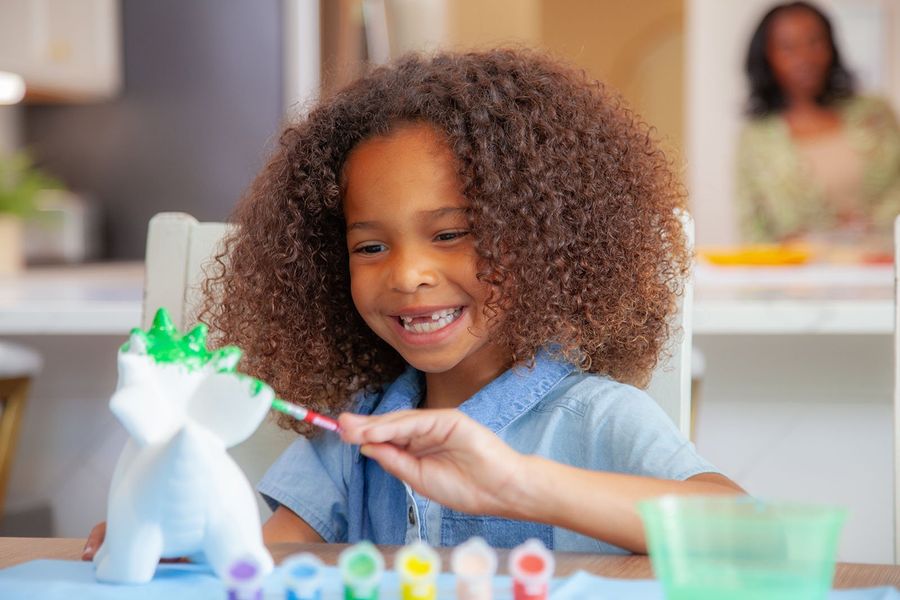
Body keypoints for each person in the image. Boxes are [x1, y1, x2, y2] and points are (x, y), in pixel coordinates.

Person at [83, 49, 741, 560]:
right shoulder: (354, 432)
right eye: (370, 247)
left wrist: (518, 483)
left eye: (450, 234)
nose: (408, 274)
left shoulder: (597, 418)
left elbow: (745, 531)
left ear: (544, 241)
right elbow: (264, 557)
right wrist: (187, 538)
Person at [737, 1, 900, 247]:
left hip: (881, 269)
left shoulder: (875, 113)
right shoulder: (755, 138)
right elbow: (753, 231)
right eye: (787, 47)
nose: (804, 57)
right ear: (767, 57)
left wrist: (867, 226)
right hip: (798, 280)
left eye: (814, 42)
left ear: (831, 46)